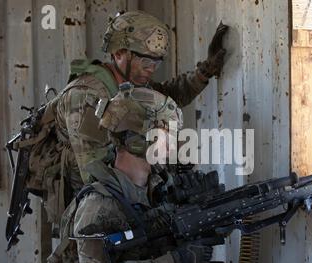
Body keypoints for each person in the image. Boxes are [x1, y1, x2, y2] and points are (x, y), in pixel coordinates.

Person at [49, 86, 229, 263]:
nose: (172, 147)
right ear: (140, 141)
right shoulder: (98, 205)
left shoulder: (155, 187)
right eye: (167, 137)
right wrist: (175, 262)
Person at [53, 10, 229, 214]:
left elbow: (166, 96)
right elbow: (95, 174)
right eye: (146, 62)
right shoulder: (84, 97)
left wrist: (205, 71)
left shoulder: (129, 84)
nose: (152, 69)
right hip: (90, 213)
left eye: (157, 62)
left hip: (125, 202)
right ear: (119, 53)